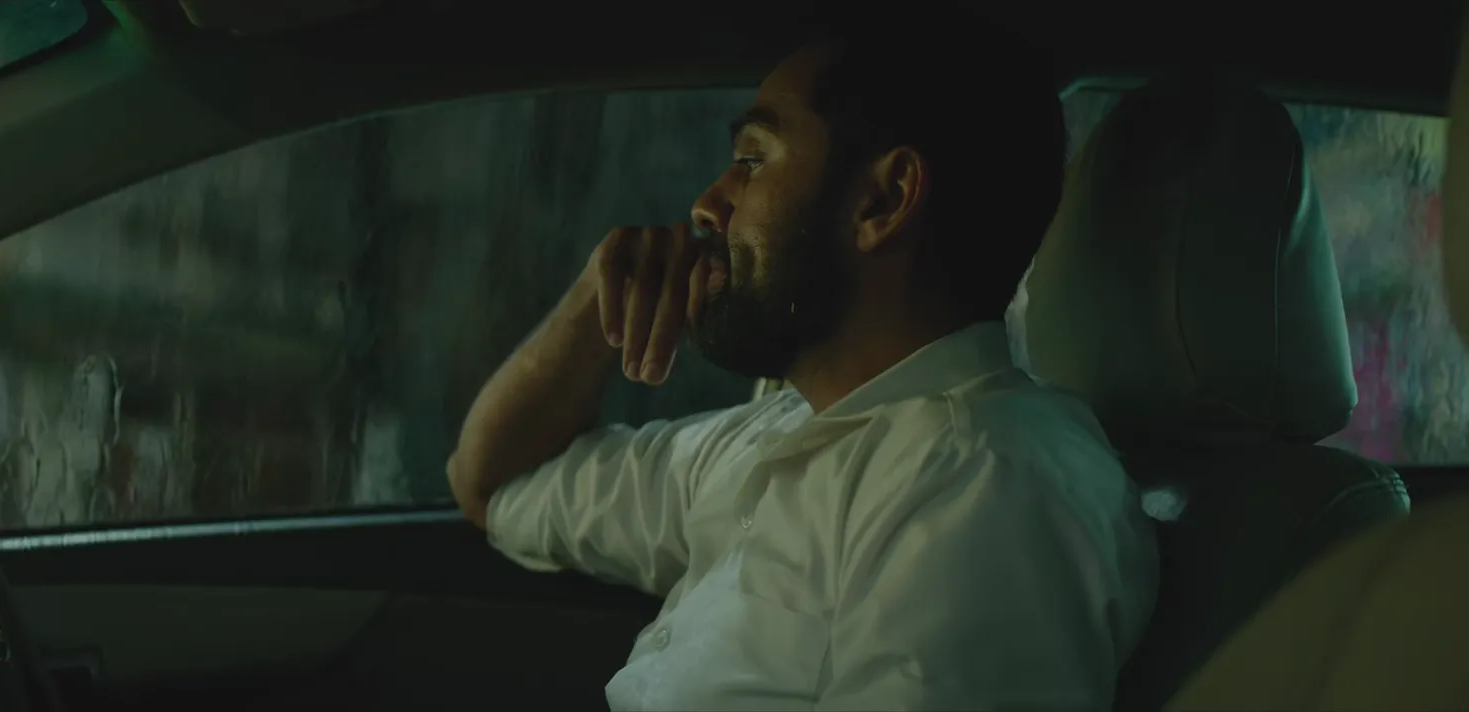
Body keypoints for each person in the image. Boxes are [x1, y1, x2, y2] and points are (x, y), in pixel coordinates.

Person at [443, 19, 1159, 712]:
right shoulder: (772, 434)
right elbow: (489, 486)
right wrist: (596, 298)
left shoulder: (986, 485)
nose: (706, 205)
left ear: (883, 201)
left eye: (753, 160)